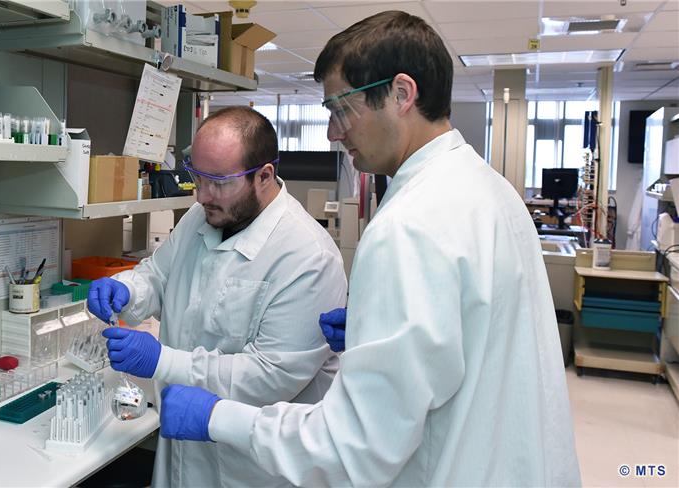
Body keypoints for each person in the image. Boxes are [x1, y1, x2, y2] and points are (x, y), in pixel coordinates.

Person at [155, 10, 581, 487]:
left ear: (401, 94)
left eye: (341, 109)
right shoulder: (490, 189)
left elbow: (354, 447)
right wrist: (372, 332)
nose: (333, 133)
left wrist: (219, 417)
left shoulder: (408, 224)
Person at [87, 106, 348, 487]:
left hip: (252, 469)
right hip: (182, 452)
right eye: (197, 177)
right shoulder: (203, 215)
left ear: (264, 175)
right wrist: (127, 288)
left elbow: (271, 375)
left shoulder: (308, 257)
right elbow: (159, 274)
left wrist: (163, 361)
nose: (202, 195)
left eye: (219, 182)